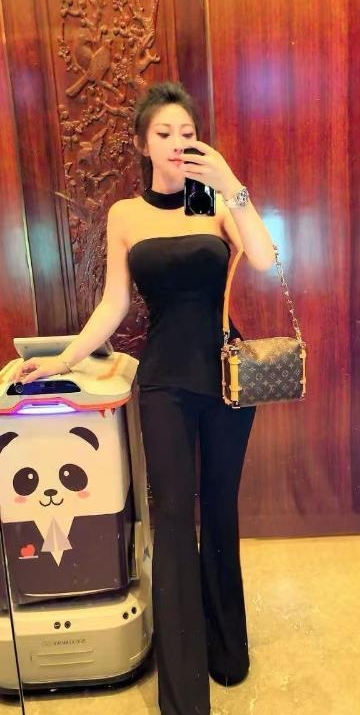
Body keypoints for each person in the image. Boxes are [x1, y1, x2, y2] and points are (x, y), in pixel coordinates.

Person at [12, 81, 275, 715]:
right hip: (164, 384)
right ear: (141, 143)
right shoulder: (125, 215)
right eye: (165, 133)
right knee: (175, 522)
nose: (179, 143)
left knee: (220, 512)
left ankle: (227, 653)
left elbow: (266, 259)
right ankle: (184, 698)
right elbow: (114, 304)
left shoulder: (217, 202)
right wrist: (62, 360)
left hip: (227, 380)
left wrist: (232, 183)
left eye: (188, 133)